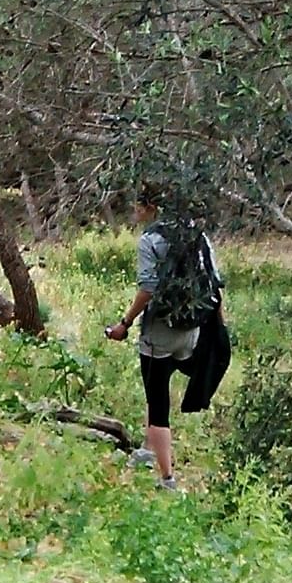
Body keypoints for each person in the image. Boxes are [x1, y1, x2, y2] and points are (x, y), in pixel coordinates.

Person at [105, 184, 223, 489]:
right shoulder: (196, 233)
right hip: (192, 329)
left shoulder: (150, 240)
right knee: (158, 384)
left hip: (160, 331)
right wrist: (218, 328)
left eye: (137, 206)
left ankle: (167, 479)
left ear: (150, 208)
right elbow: (214, 281)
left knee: (157, 401)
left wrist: (124, 323)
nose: (134, 211)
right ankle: (147, 448)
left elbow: (148, 288)